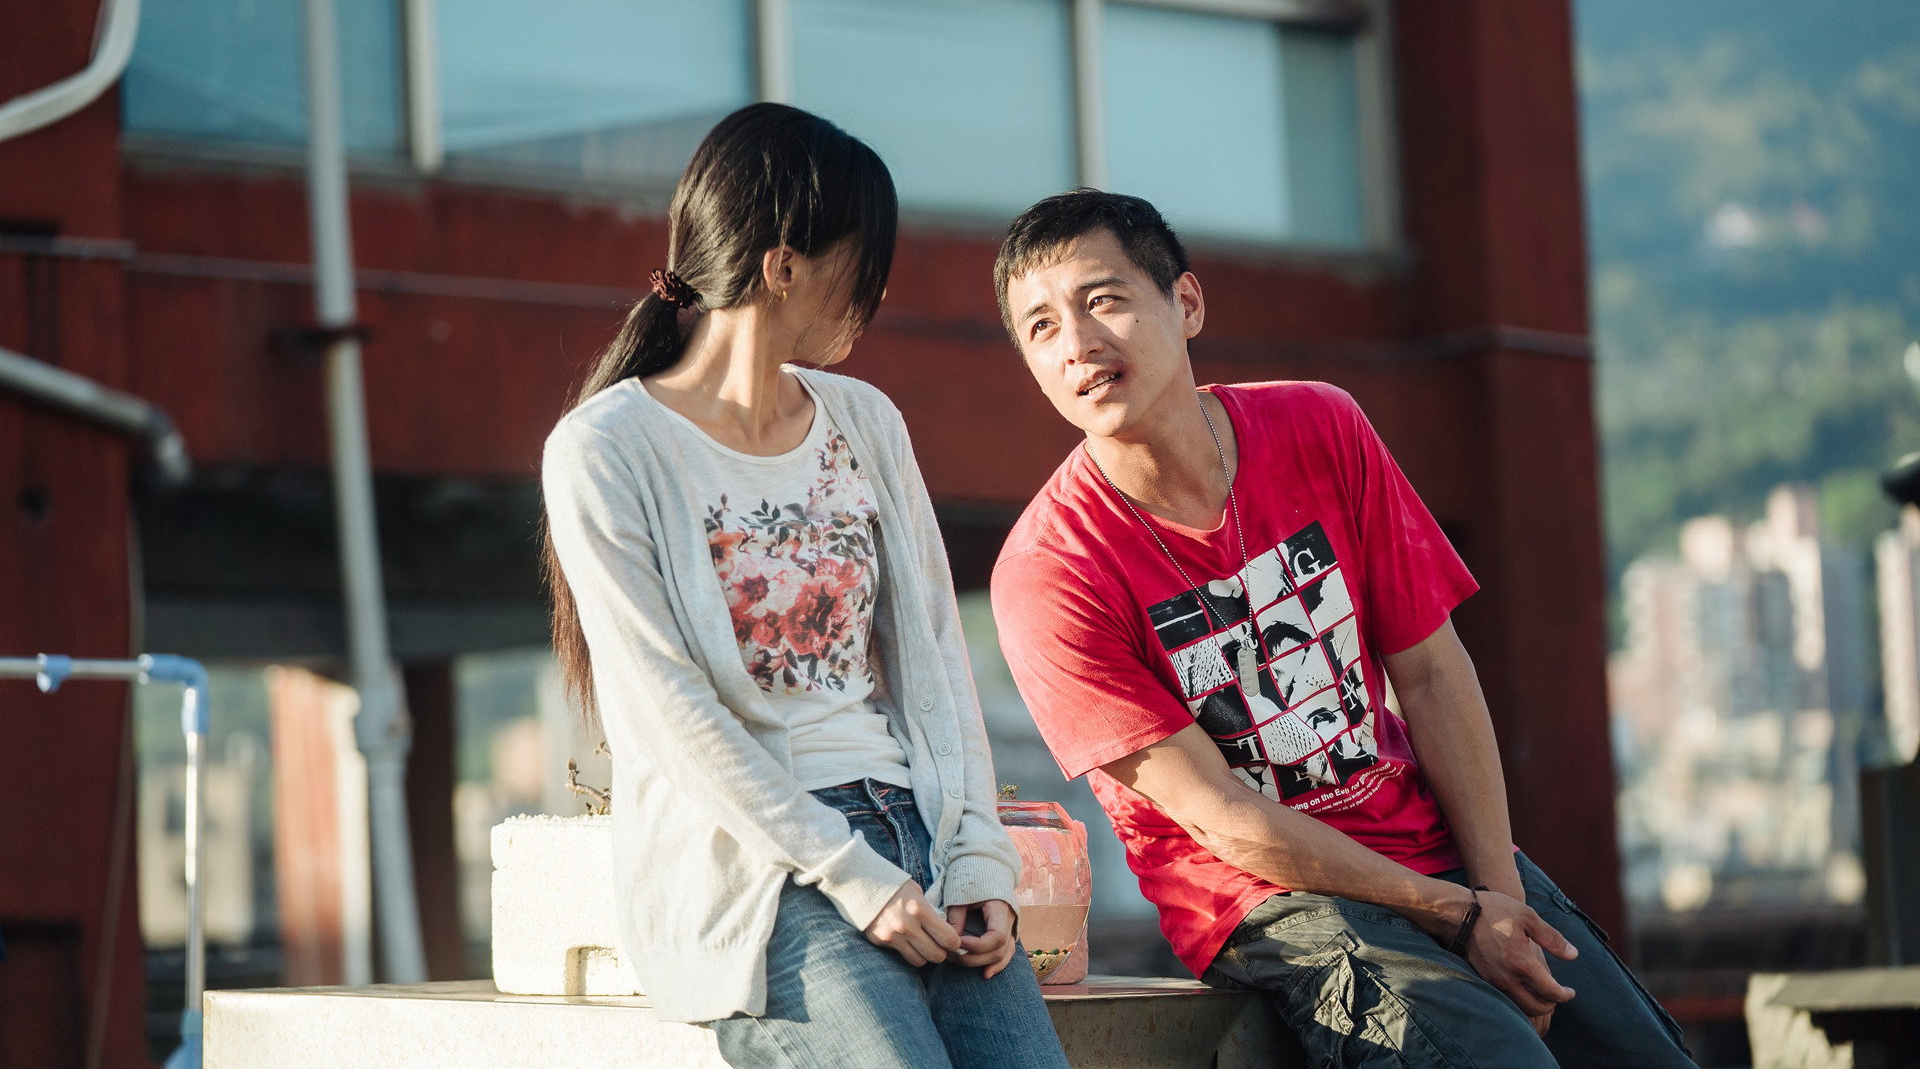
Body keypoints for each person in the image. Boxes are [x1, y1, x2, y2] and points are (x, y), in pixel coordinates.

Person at [988, 188, 1694, 1068]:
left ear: (1187, 303)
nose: (1078, 344)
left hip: (1437, 851)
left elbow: (1431, 672)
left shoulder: (1318, 425)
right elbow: (1220, 817)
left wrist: (1499, 894)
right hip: (1269, 902)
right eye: (1041, 328)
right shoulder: (1050, 571)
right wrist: (1457, 916)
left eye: (1103, 301)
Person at [541, 103, 1068, 1069]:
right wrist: (848, 871)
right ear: (783, 265)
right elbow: (668, 711)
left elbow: (936, 655)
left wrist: (978, 860)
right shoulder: (609, 447)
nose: (875, 292)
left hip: (919, 836)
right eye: (865, 263)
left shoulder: (864, 420)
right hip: (766, 872)